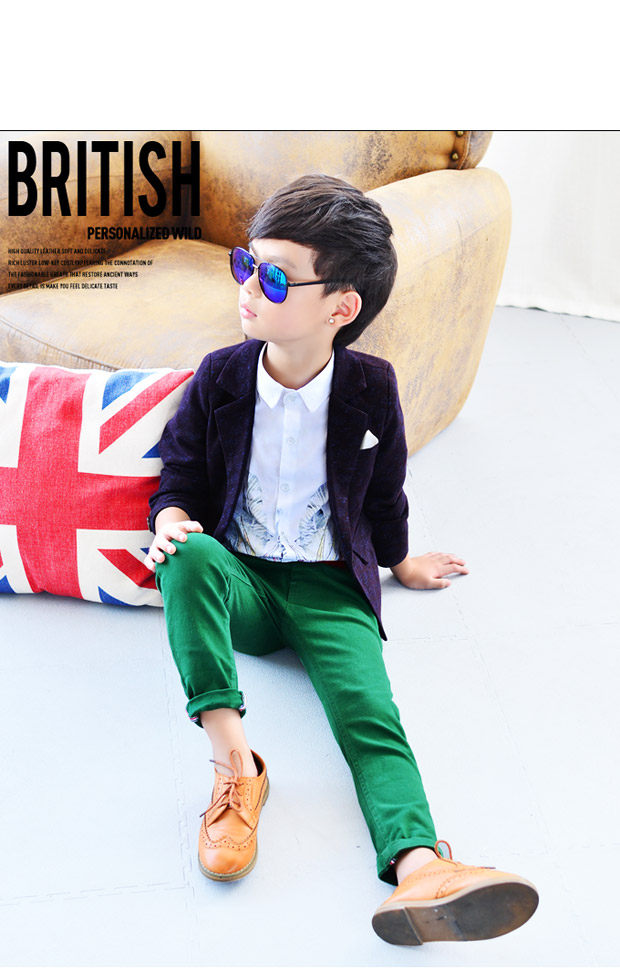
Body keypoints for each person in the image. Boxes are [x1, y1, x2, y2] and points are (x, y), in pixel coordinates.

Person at [145, 174, 538, 946]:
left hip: (332, 588)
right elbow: (178, 476)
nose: (248, 287)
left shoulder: (372, 388)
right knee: (185, 556)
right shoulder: (220, 375)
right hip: (243, 580)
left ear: (341, 306)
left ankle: (420, 864)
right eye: (246, 264)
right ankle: (236, 771)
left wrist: (400, 560)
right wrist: (172, 521)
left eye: (275, 277)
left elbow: (385, 491)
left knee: (371, 716)